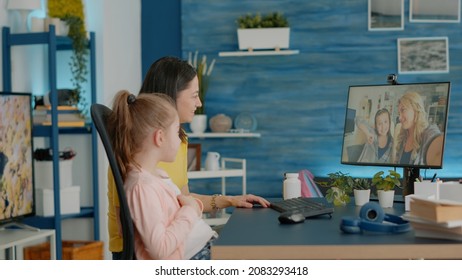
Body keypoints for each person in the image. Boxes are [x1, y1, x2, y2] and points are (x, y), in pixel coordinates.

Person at [108, 56, 270, 259]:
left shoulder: (176, 146)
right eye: (194, 95)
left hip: (190, 241)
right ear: (170, 96)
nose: (199, 102)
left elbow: (182, 200)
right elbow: (133, 229)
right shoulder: (133, 160)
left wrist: (229, 200)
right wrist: (191, 212)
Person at [108, 90, 217, 260]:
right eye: (176, 132)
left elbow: (179, 209)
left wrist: (193, 207)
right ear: (160, 137)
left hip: (205, 247)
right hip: (198, 255)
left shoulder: (155, 177)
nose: (180, 140)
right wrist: (190, 210)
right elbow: (160, 248)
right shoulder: (141, 187)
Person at [394, 92, 443, 166]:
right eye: (399, 113)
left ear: (416, 110)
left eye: (403, 110)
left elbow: (438, 140)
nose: (400, 118)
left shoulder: (428, 133)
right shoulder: (403, 135)